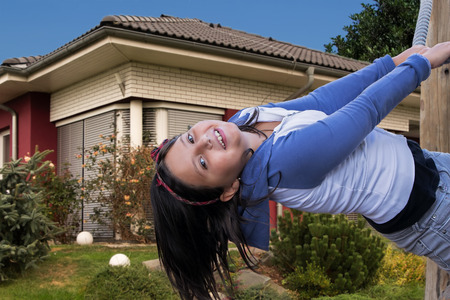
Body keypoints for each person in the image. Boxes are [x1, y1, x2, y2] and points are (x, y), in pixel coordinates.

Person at [150, 41, 450, 299]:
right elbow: (362, 113)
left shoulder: (246, 121)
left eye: (190, 138)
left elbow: (323, 101)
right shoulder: (280, 165)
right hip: (430, 212)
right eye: (202, 163)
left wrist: (391, 63)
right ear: (229, 189)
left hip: (426, 165)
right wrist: (420, 64)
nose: (205, 140)